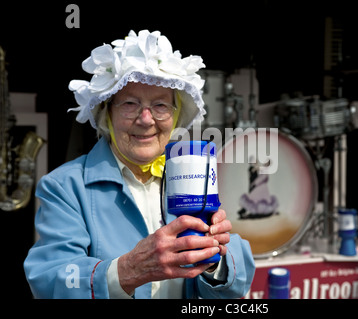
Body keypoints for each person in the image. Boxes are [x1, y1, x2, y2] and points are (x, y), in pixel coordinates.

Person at [23, 30, 255, 299]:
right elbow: (50, 281)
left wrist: (213, 257)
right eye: (130, 104)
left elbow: (235, 285)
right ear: (107, 113)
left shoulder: (192, 174)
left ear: (175, 115)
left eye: (160, 106)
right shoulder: (64, 186)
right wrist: (128, 270)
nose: (146, 120)